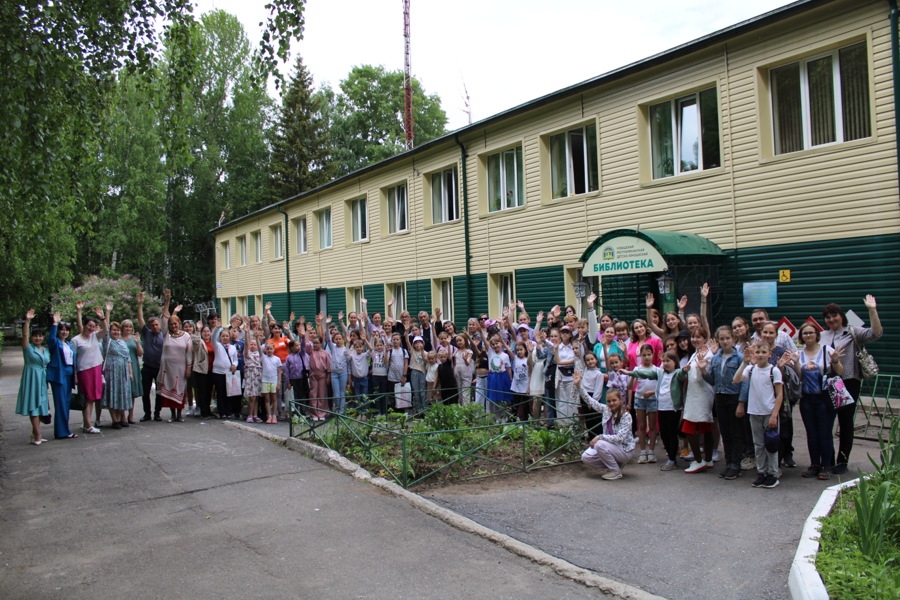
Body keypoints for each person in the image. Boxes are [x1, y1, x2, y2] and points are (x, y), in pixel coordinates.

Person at [820, 295, 883, 474]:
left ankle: (842, 461)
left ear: (841, 316)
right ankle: (827, 459)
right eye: (828, 317)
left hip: (847, 382)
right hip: (826, 382)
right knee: (826, 422)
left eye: (835, 315)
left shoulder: (852, 332)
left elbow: (876, 333)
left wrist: (872, 310)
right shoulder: (821, 335)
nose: (831, 319)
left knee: (845, 422)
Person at [795, 322, 845, 480]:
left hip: (824, 399)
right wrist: (796, 364)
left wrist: (835, 360)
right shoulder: (799, 353)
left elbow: (840, 372)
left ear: (817, 335)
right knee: (811, 434)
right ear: (801, 336)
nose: (808, 335)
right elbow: (799, 377)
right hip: (806, 399)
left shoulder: (826, 350)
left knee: (825, 433)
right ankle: (814, 464)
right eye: (805, 333)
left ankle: (827, 466)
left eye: (811, 332)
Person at [623, 351, 685, 471]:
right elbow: (646, 373)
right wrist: (630, 373)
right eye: (664, 361)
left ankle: (672, 459)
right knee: (664, 434)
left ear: (675, 362)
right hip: (661, 407)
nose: (665, 363)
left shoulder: (677, 373)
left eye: (668, 361)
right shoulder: (660, 373)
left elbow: (683, 375)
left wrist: (685, 370)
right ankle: (671, 458)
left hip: (673, 408)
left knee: (672, 434)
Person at [735, 342, 785, 489]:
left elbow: (779, 394)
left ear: (770, 354)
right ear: (754, 353)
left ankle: (772, 474)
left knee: (771, 444)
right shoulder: (750, 369)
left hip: (769, 412)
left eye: (764, 352)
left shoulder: (774, 371)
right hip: (754, 412)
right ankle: (761, 472)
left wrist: (774, 415)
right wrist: (744, 363)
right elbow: (736, 379)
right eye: (758, 352)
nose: (760, 355)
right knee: (758, 445)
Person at [707, 326, 744, 480]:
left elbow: (744, 382)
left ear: (733, 339)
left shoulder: (739, 358)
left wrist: (741, 402)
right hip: (720, 397)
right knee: (725, 432)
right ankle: (728, 463)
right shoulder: (716, 358)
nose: (725, 341)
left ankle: (736, 464)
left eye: (727, 338)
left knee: (736, 433)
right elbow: (712, 380)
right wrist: (703, 371)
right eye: (722, 339)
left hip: (734, 397)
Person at [577, 387, 635, 480]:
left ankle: (615, 471)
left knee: (599, 444)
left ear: (620, 400)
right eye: (609, 401)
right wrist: (579, 386)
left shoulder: (626, 416)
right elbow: (590, 401)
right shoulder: (606, 410)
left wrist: (600, 437)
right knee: (586, 457)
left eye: (614, 400)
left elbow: (620, 438)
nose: (611, 403)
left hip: (624, 449)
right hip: (609, 446)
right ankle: (616, 464)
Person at [681, 328, 715, 474]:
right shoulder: (695, 353)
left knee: (688, 428)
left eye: (699, 337)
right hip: (694, 394)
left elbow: (702, 376)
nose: (695, 340)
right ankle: (708, 459)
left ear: (705, 338)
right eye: (693, 337)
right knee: (704, 427)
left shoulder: (708, 355)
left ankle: (699, 461)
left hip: (701, 394)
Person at [72, 301, 109, 433]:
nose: (91, 328)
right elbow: (73, 359)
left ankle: (86, 422)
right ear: (84, 325)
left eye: (93, 326)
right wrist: (75, 375)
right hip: (84, 371)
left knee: (92, 398)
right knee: (87, 398)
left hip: (96, 369)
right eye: (89, 326)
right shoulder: (76, 340)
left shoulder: (95, 337)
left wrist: (102, 317)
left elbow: (105, 330)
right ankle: (88, 425)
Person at [17, 309, 50, 445]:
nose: (38, 338)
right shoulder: (28, 348)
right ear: (31, 337)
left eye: (40, 336)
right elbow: (24, 335)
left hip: (42, 379)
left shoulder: (46, 350)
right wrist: (28, 321)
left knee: (41, 406)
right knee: (33, 406)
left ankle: (34, 432)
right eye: (35, 336)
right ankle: (37, 435)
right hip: (31, 378)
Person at [137, 290, 170, 421]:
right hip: (147, 367)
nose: (155, 327)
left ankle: (157, 413)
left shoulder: (164, 334)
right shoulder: (147, 333)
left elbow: (165, 315)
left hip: (159, 368)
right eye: (153, 325)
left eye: (157, 324)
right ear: (150, 326)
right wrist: (140, 304)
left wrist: (167, 301)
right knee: (145, 392)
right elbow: (140, 318)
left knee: (159, 392)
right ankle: (147, 414)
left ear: (159, 325)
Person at [157, 309, 193, 422]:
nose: (173, 326)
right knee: (169, 389)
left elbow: (189, 353)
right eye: (171, 324)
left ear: (179, 324)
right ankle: (172, 415)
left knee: (180, 389)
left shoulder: (186, 336)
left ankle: (179, 414)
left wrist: (188, 368)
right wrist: (167, 303)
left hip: (180, 368)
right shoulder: (166, 335)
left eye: (175, 323)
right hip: (168, 368)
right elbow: (163, 319)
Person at [47, 312, 77, 439]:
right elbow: (51, 339)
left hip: (69, 375)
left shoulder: (69, 344)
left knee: (66, 402)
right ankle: (62, 432)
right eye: (62, 329)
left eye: (66, 330)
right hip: (59, 375)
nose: (64, 332)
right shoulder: (55, 343)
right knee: (60, 403)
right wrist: (55, 323)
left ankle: (65, 430)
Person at [102, 319, 134, 429]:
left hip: (123, 371)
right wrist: (104, 316)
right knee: (112, 393)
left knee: (121, 394)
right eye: (114, 330)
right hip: (111, 372)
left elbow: (128, 358)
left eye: (118, 330)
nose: (116, 332)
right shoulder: (108, 341)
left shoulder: (122, 342)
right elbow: (105, 329)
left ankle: (121, 418)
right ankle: (114, 420)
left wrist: (130, 372)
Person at [120, 319, 143, 425]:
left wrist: (138, 343)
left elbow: (140, 353)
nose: (128, 329)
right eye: (126, 326)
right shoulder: (118, 338)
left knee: (132, 391)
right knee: (122, 391)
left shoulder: (135, 338)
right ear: (122, 328)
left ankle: (131, 414)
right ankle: (122, 415)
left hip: (133, 365)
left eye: (130, 327)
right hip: (121, 366)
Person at [307, 335, 332, 421]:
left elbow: (328, 365)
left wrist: (328, 376)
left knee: (322, 393)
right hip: (313, 374)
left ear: (321, 343)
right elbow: (306, 346)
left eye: (317, 343)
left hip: (322, 375)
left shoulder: (325, 353)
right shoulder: (311, 352)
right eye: (314, 343)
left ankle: (322, 413)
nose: (315, 345)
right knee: (313, 394)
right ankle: (314, 413)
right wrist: (306, 334)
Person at [260, 341, 282, 423]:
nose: (269, 350)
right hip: (265, 380)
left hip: (274, 381)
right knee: (267, 398)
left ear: (274, 349)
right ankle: (269, 416)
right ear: (265, 349)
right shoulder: (263, 357)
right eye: (267, 349)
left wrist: (278, 383)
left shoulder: (277, 359)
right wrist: (257, 338)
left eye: (271, 349)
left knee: (274, 398)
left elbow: (279, 372)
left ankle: (274, 416)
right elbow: (259, 348)